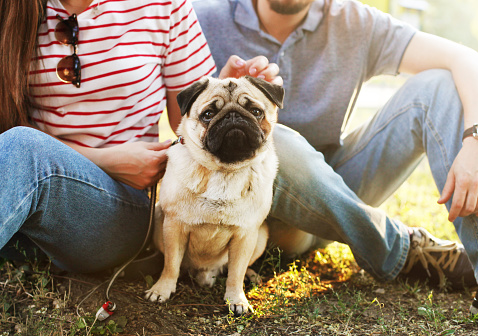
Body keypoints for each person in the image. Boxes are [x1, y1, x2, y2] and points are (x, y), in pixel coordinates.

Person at [190, 0, 478, 325]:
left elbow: (469, 61)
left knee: (438, 85)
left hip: (339, 185)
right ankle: (399, 249)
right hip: (261, 218)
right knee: (276, 142)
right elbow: (180, 130)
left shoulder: (355, 21)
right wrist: (223, 94)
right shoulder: (205, 19)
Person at [0, 0, 281, 272]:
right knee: (21, 147)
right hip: (23, 184)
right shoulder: (12, 8)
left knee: (23, 148)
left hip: (123, 206)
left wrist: (225, 98)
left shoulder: (164, 4)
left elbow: (187, 122)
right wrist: (104, 160)